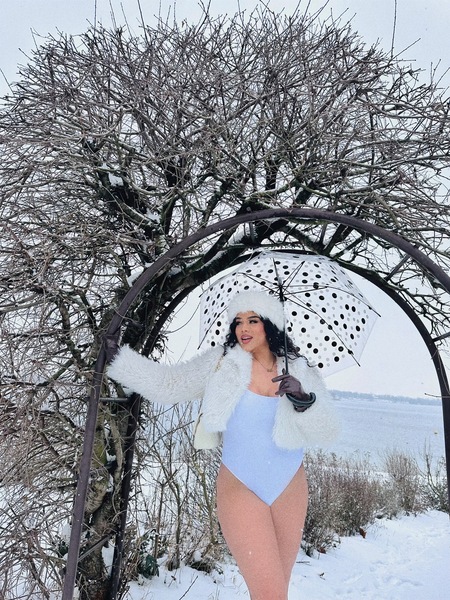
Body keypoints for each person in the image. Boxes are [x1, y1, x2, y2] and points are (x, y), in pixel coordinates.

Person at [107, 291, 339, 600]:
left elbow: (328, 429)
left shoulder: (298, 369)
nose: (244, 329)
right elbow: (169, 384)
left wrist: (304, 400)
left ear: (270, 324)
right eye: (238, 321)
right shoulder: (222, 363)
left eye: (253, 321)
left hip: (290, 485)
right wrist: (118, 360)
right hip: (240, 484)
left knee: (276, 592)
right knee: (270, 594)